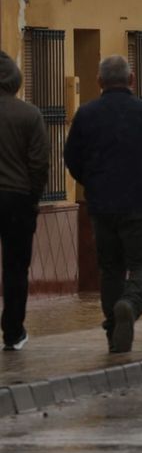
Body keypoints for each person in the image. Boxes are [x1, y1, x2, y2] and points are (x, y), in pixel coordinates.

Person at [63, 56, 142, 354]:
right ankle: (129, 306)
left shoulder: (86, 114)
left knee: (110, 269)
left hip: (102, 205)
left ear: (99, 82)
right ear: (131, 81)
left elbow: (72, 159)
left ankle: (113, 331)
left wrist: (92, 182)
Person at [0, 50, 48, 351]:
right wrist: (33, 199)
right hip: (17, 200)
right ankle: (13, 332)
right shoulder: (30, 114)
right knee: (16, 268)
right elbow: (39, 163)